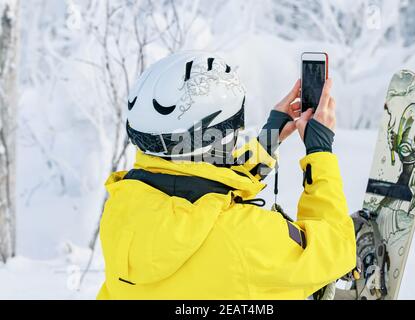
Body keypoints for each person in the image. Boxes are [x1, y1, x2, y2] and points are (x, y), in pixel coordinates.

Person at [97, 51, 356, 300]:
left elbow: (196, 185)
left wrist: (268, 140)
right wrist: (320, 151)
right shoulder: (247, 237)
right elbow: (335, 249)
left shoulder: (121, 209)